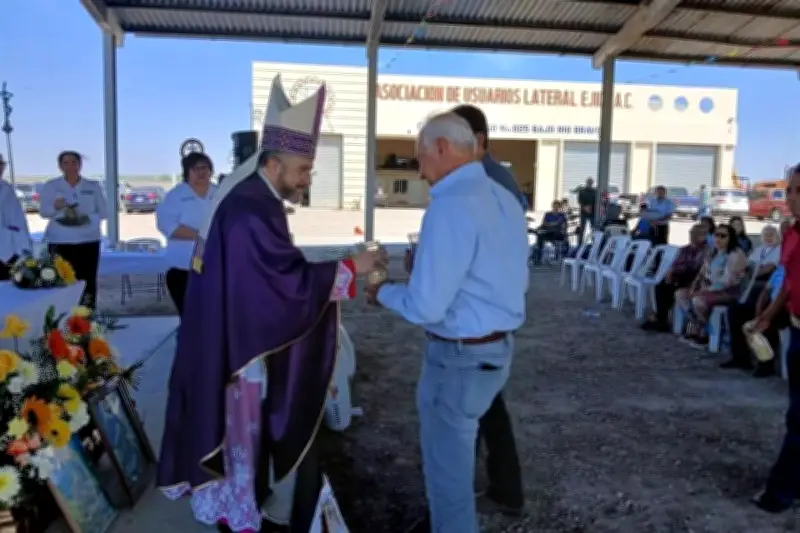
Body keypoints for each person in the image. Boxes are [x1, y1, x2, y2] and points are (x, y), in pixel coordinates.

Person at [157, 75, 385, 533]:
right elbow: (281, 288)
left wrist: (336, 269)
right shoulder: (252, 209)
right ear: (275, 162)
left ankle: (244, 509)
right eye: (303, 171)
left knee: (245, 453)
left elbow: (270, 272)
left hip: (229, 344)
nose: (307, 180)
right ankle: (243, 518)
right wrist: (351, 269)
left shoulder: (250, 197)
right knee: (242, 448)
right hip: (239, 362)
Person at [366, 112, 529, 533]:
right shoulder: (503, 197)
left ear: (441, 148)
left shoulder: (451, 206)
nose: (418, 169)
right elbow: (488, 272)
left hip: (459, 358)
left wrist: (380, 290)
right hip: (493, 350)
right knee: (452, 470)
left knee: (449, 486)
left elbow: (425, 306)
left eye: (420, 157)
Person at [450, 104, 525, 515]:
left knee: (466, 415)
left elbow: (479, 255)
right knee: (487, 408)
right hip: (490, 319)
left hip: (478, 323)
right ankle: (505, 487)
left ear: (478, 140)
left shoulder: (486, 183)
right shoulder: (496, 179)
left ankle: (458, 500)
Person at [752, 167, 800, 513]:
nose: (793, 197)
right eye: (792, 190)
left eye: (798, 190)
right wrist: (767, 315)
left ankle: (779, 493)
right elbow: (789, 283)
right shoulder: (792, 233)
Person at [39, 151, 108, 308]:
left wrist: (86, 217)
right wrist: (55, 207)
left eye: (74, 162)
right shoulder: (51, 186)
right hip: (60, 240)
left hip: (88, 239)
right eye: (66, 162)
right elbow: (44, 212)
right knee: (60, 279)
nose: (70, 166)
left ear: (80, 165)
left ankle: (87, 317)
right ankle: (61, 314)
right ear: (60, 166)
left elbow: (104, 212)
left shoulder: (93, 186)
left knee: (87, 280)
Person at [156, 152, 216, 315]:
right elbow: (168, 226)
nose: (201, 172)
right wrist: (202, 236)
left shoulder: (220, 193)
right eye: (195, 168)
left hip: (215, 266)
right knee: (189, 315)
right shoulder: (176, 195)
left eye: (204, 168)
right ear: (187, 172)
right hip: (183, 267)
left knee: (213, 314)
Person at [722, 225, 787, 376]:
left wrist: (764, 310)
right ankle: (741, 358)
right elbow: (769, 287)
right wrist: (760, 306)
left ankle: (766, 363)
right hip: (772, 300)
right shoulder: (785, 265)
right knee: (736, 310)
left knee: (767, 315)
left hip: (788, 306)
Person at [675, 223, 747, 348]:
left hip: (728, 292)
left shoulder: (735, 254)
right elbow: (702, 273)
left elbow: (727, 281)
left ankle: (705, 333)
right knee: (680, 294)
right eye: (716, 235)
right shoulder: (713, 252)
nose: (718, 238)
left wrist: (705, 291)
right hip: (707, 289)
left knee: (698, 301)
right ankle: (699, 324)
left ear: (731, 238)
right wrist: (694, 287)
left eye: (723, 236)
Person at [641, 224, 709, 332]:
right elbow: (676, 263)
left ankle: (659, 318)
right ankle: (661, 318)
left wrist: (675, 271)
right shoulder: (685, 249)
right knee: (661, 286)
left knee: (669, 287)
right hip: (679, 277)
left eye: (700, 234)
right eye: (692, 233)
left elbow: (695, 267)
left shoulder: (706, 251)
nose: (694, 236)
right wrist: (671, 271)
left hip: (693, 280)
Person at [0, 154, 31, 281]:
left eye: (2, 164)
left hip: (11, 247)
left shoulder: (6, 187)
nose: (0, 168)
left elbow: (18, 217)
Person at [531, 200, 568, 265]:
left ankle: (558, 257)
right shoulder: (548, 214)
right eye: (554, 206)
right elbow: (544, 223)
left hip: (557, 233)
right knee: (540, 236)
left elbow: (563, 224)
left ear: (559, 207)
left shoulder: (561, 215)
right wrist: (555, 223)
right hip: (548, 232)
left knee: (558, 234)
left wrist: (551, 224)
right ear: (552, 206)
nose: (555, 207)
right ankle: (538, 258)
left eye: (557, 206)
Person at [573, 177, 596, 245]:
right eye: (588, 182)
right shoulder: (582, 191)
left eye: (591, 182)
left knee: (593, 229)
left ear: (592, 183)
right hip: (583, 213)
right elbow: (579, 201)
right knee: (582, 229)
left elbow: (597, 201)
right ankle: (579, 244)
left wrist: (591, 207)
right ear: (586, 182)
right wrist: (585, 207)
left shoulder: (595, 191)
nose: (590, 183)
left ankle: (594, 244)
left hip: (593, 213)